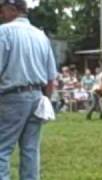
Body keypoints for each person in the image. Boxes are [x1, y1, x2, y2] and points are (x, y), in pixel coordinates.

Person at [0, 0, 57, 179]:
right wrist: (46, 99)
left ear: (12, 9)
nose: (0, 15)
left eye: (2, 10)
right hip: (37, 97)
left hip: (11, 97)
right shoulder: (41, 36)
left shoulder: (3, 32)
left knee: (2, 149)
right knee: (30, 150)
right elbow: (51, 77)